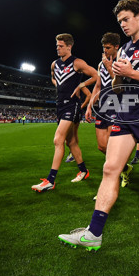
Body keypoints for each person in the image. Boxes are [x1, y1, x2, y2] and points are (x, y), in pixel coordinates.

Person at [58, 0, 139, 250]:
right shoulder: (123, 50)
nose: (123, 24)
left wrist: (131, 73)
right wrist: (115, 76)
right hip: (124, 112)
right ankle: (94, 232)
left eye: (126, 19)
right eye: (120, 21)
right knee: (110, 168)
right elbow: (118, 87)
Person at [31, 33, 98, 192]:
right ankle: (83, 171)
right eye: (57, 46)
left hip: (72, 106)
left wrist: (81, 85)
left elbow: (96, 75)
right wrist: (59, 85)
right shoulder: (54, 64)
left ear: (69, 46)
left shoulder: (77, 62)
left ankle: (50, 180)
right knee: (71, 142)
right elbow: (54, 78)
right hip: (60, 105)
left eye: (61, 46)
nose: (58, 48)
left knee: (58, 140)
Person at [83, 32, 134, 187]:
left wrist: (110, 67)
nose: (105, 51)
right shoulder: (101, 64)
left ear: (116, 47)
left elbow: (121, 86)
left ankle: (114, 179)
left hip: (117, 105)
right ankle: (125, 167)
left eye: (108, 48)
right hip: (103, 106)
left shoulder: (123, 62)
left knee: (113, 147)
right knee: (102, 146)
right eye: (103, 48)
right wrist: (90, 105)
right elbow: (98, 85)